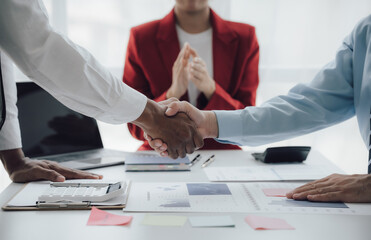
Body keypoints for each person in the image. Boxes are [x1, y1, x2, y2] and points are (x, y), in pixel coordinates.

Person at [148, 15, 371, 203]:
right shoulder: (365, 33)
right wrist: (207, 123)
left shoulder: (244, 36)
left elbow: (247, 100)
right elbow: (308, 105)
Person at [0, 0, 203, 183]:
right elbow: (37, 44)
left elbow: (5, 47)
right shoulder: (142, 35)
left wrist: (13, 158)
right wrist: (152, 116)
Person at [123, 0, 259, 151]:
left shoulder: (245, 37)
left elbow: (249, 124)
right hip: (161, 154)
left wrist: (212, 90)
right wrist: (172, 94)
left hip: (223, 155)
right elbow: (133, 126)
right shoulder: (141, 38)